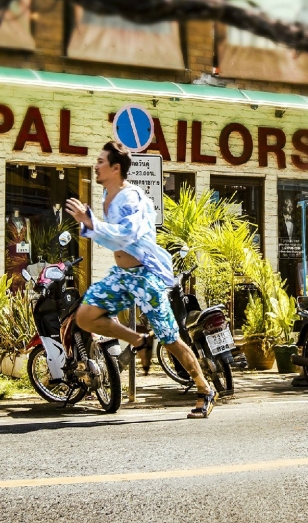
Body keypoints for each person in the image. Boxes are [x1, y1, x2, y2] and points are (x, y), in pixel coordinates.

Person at [65, 141, 217, 418]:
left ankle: (204, 388)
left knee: (170, 338)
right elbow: (111, 237)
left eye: (101, 161)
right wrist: (91, 224)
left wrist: (92, 223)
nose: (96, 165)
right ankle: (138, 339)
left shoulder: (130, 197)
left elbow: (127, 234)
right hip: (123, 276)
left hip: (146, 276)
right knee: (85, 316)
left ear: (115, 167)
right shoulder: (106, 196)